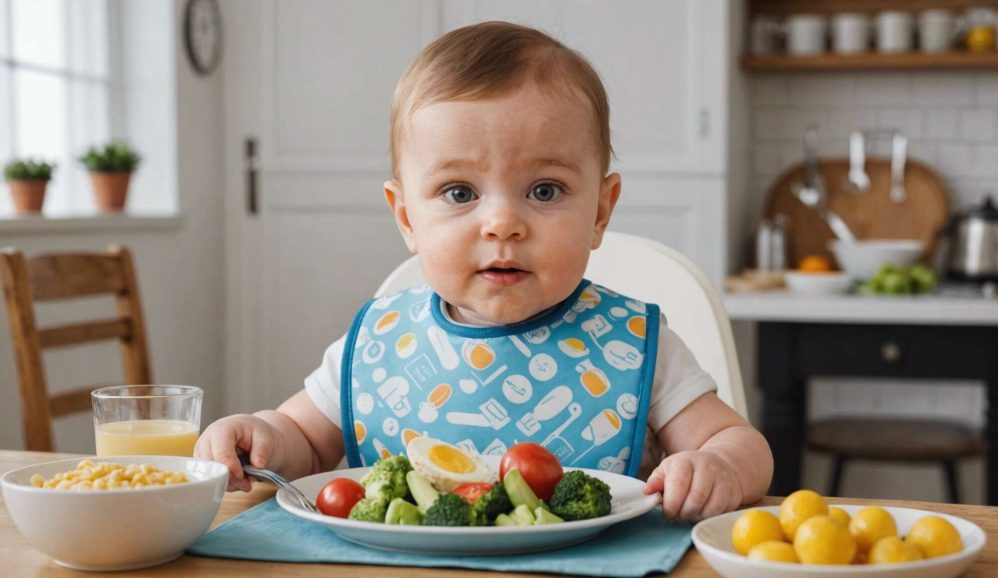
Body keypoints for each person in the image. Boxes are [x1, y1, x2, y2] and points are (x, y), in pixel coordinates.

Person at [196, 21, 772, 522]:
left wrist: (718, 464)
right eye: (459, 191)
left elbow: (739, 442)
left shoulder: (638, 345)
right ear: (406, 217)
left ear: (599, 211)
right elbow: (302, 439)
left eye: (544, 190)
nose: (502, 222)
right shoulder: (376, 343)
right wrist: (261, 435)